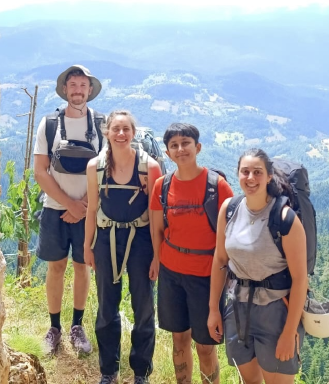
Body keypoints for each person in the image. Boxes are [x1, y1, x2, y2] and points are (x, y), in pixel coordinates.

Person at [207, 148, 309, 384]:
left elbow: (300, 279)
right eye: (245, 172)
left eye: (257, 172)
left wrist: (289, 332)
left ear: (269, 176)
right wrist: (214, 309)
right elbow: (220, 260)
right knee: (249, 380)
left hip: (275, 312)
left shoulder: (284, 218)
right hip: (237, 307)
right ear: (238, 174)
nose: (250, 178)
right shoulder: (229, 210)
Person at [149, 123, 234, 384]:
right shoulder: (162, 186)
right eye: (174, 145)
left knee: (206, 346)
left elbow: (230, 236)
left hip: (206, 277)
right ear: (167, 153)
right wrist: (157, 260)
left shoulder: (218, 186)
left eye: (186, 143)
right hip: (171, 274)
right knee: (178, 340)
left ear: (198, 147)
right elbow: (157, 229)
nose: (180, 149)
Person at [84, 111, 162, 384]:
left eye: (126, 129)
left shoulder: (149, 167)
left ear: (133, 133)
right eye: (115, 129)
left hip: (141, 240)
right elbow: (92, 209)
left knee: (143, 306)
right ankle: (109, 371)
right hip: (106, 238)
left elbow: (156, 215)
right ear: (106, 132)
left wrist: (157, 255)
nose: (120, 134)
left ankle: (141, 372)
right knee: (107, 305)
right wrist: (87, 246)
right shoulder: (95, 167)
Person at [33, 65, 103, 355]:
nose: (77, 90)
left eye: (82, 85)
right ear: (65, 89)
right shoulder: (49, 123)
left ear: (90, 90)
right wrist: (70, 203)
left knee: (81, 267)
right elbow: (40, 171)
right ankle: (54, 328)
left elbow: (107, 168)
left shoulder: (101, 124)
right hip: (54, 209)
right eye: (73, 85)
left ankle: (76, 326)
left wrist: (82, 206)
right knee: (56, 267)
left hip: (88, 211)